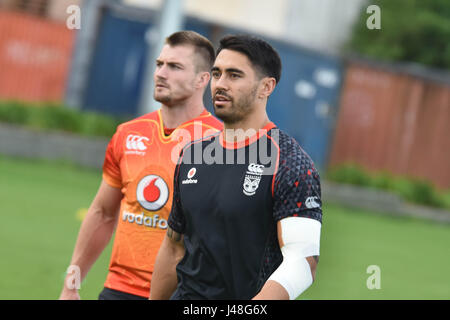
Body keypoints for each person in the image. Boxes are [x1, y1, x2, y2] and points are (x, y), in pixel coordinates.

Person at [150, 34, 323, 300]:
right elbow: (174, 248)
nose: (220, 84)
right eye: (217, 74)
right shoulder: (192, 154)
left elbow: (303, 262)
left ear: (267, 87)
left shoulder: (290, 163)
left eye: (234, 75)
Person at [59, 31, 223, 300]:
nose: (161, 73)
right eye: (160, 64)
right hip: (120, 290)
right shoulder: (127, 133)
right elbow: (102, 213)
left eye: (175, 67)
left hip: (184, 294)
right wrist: (71, 285)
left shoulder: (222, 143)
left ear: (202, 79)